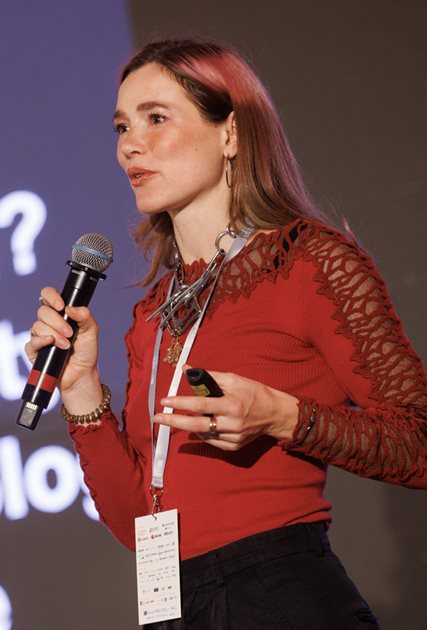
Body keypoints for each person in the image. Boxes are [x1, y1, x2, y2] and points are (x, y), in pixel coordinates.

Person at [25, 39, 426, 630]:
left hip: (279, 596)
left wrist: (282, 417)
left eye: (156, 118)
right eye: (121, 127)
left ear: (230, 134)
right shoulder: (155, 315)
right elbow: (140, 519)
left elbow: (417, 443)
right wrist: (81, 386)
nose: (130, 145)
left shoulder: (309, 262)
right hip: (174, 608)